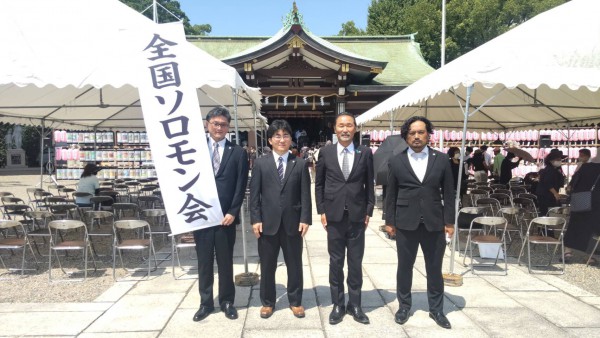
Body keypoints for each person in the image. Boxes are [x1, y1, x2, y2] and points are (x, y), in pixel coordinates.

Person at [384, 116, 455, 329]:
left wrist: (450, 221)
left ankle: (437, 309)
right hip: (406, 222)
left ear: (428, 134)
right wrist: (389, 220)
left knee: (434, 268)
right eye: (412, 133)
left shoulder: (441, 160)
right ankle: (404, 306)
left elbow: (449, 194)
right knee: (405, 267)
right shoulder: (396, 161)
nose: (416, 136)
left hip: (434, 222)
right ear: (406, 136)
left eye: (421, 132)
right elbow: (391, 194)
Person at [315, 113, 374, 325]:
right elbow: (319, 183)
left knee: (355, 262)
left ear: (355, 129)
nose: (345, 129)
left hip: (358, 216)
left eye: (349, 125)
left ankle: (355, 304)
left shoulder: (365, 152)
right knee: (336, 262)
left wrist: (369, 210)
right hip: (334, 215)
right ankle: (338, 304)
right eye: (341, 125)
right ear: (335, 128)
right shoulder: (326, 152)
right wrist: (321, 210)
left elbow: (369, 184)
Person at [249, 119, 311, 319]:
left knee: (294, 264)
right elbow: (255, 194)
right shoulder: (260, 163)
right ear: (270, 140)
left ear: (291, 139)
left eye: (285, 135)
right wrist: (255, 219)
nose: (282, 139)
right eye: (277, 136)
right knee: (267, 265)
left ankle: (295, 301)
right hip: (267, 223)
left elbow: (305, 195)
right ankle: (267, 302)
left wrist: (305, 218)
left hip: (293, 223)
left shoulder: (300, 164)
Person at [192, 107, 249, 322]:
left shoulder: (238, 152)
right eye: (215, 123)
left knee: (225, 261)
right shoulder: (194, 150)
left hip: (226, 217)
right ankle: (205, 303)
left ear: (228, 127)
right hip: (202, 216)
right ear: (207, 124)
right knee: (204, 262)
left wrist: (233, 212)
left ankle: (227, 301)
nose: (219, 128)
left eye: (223, 124)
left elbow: (240, 184)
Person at [564, 157, 600, 263]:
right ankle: (589, 256)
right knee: (592, 229)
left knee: (574, 224)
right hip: (596, 202)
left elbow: (572, 184)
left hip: (580, 199)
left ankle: (567, 251)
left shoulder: (583, 166)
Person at [535, 150, 566, 216]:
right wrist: (555, 194)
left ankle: (544, 225)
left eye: (560, 159)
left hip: (546, 194)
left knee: (545, 212)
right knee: (545, 212)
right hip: (546, 195)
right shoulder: (550, 170)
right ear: (551, 161)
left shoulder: (555, 169)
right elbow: (548, 183)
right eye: (558, 159)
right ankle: (544, 225)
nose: (560, 161)